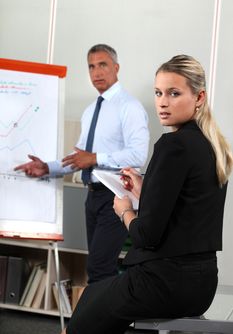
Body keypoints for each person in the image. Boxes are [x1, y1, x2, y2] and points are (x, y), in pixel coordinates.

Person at [60, 54, 233, 334]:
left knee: (84, 311)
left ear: (199, 97)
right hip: (202, 284)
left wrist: (124, 210)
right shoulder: (213, 146)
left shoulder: (172, 146)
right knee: (95, 298)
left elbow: (145, 236)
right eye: (158, 93)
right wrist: (144, 188)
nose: (163, 102)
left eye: (174, 93)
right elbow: (185, 210)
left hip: (165, 282)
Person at [14, 44, 149, 284]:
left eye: (103, 65)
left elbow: (138, 155)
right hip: (93, 197)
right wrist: (48, 167)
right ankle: (98, 321)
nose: (96, 72)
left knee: (100, 268)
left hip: (117, 196)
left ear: (116, 68)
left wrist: (96, 158)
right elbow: (79, 157)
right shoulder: (90, 112)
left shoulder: (130, 107)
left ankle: (98, 322)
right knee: (97, 267)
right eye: (91, 66)